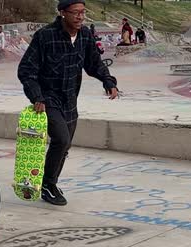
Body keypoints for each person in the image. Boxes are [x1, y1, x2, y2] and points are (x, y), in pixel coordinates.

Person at [17, 0, 118, 206]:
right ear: (63, 13)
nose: (80, 17)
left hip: (70, 100)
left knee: (65, 145)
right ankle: (48, 185)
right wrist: (37, 96)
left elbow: (94, 64)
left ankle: (49, 182)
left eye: (83, 12)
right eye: (75, 13)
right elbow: (26, 70)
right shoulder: (45, 36)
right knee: (61, 139)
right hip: (47, 100)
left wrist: (108, 81)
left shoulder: (85, 36)